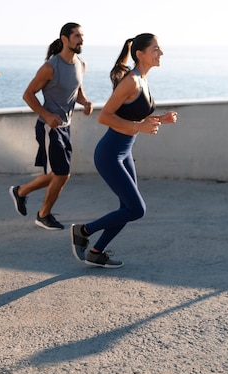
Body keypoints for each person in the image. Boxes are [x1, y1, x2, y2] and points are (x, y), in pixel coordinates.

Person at [70, 33, 177, 268]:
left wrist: (160, 119)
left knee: (126, 208)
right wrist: (139, 127)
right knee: (137, 209)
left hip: (125, 152)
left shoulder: (143, 79)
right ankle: (83, 231)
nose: (161, 53)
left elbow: (135, 114)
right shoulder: (130, 81)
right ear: (140, 54)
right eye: (156, 49)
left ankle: (96, 252)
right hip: (109, 154)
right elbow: (105, 116)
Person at [9, 23, 93, 230]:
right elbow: (28, 94)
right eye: (76, 36)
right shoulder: (50, 67)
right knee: (62, 174)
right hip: (49, 128)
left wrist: (86, 102)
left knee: (56, 174)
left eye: (82, 36)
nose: (81, 40)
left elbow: (77, 90)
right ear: (64, 39)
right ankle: (43, 215)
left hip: (66, 126)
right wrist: (47, 115)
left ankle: (20, 192)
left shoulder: (81, 64)